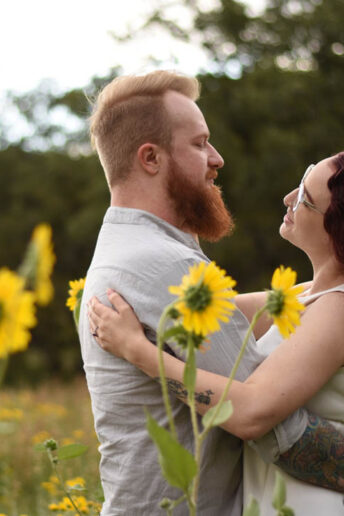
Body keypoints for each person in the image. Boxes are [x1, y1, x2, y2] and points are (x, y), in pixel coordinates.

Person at [78, 70, 343, 515]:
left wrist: (141, 351)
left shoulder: (124, 251)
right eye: (200, 143)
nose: (217, 158)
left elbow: (256, 381)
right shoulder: (172, 268)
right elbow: (271, 425)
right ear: (150, 158)